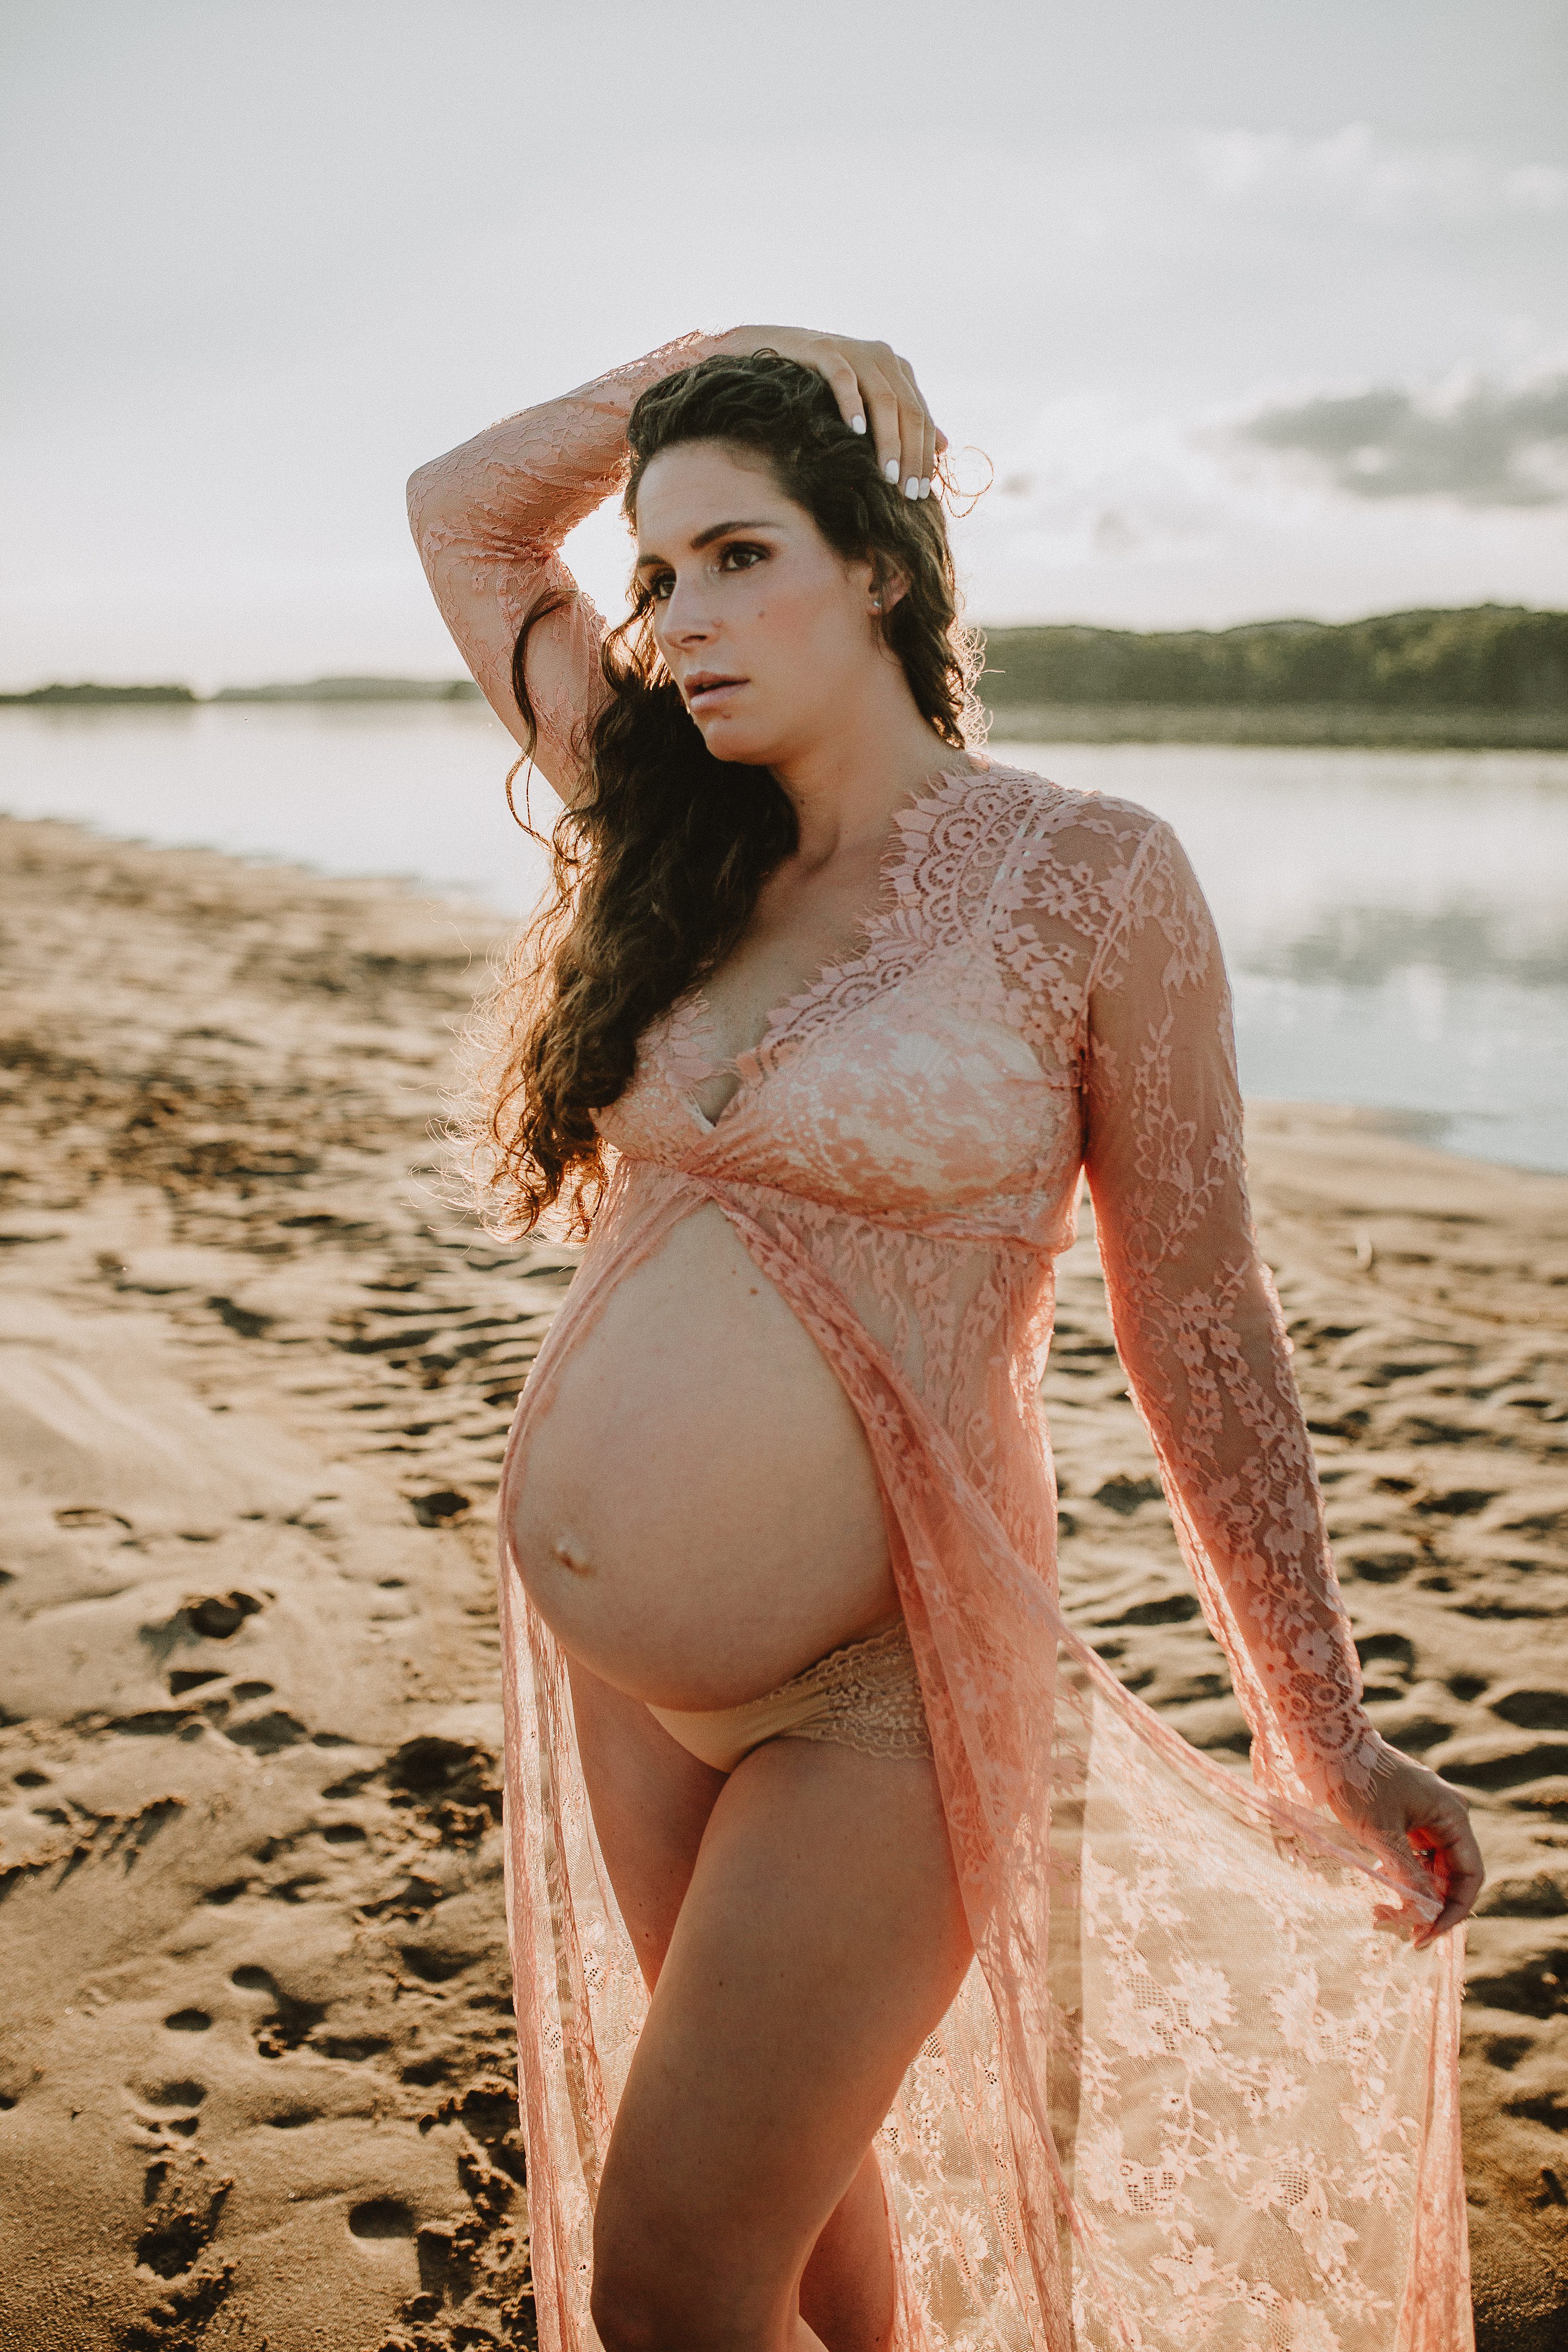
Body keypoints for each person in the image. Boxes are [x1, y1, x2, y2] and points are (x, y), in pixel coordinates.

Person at [408, 327, 1483, 2352]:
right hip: (630, 1696)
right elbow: (456, 521)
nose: (684, 622)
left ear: (879, 570)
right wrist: (734, 350)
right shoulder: (664, 824)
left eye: (740, 557)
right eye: (656, 577)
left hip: (880, 1701)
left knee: (671, 2288)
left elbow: (1201, 1317)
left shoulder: (1090, 882)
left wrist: (1317, 1727)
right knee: (817, 2256)